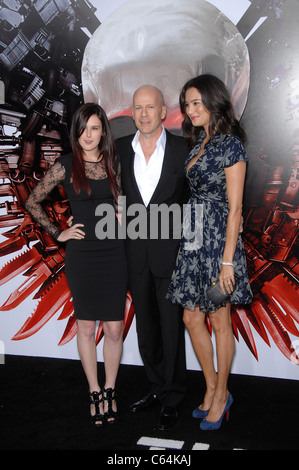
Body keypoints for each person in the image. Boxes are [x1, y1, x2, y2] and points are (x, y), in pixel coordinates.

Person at [25, 103, 127, 426]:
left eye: (95, 128)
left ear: (103, 132)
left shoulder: (113, 162)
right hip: (82, 257)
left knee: (113, 328)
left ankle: (111, 388)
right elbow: (32, 201)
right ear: (75, 132)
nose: (88, 135)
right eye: (83, 129)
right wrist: (59, 232)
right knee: (86, 326)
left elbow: (121, 200)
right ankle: (94, 390)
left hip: (113, 253)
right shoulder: (66, 165)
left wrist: (123, 215)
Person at [167, 74, 252, 431]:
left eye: (197, 102)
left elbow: (234, 210)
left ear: (215, 103)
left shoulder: (231, 145)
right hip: (193, 234)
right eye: (187, 104)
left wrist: (228, 262)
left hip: (219, 240)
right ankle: (214, 386)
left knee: (219, 319)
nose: (190, 110)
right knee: (191, 318)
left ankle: (220, 395)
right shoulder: (198, 142)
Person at [116, 85, 189, 431]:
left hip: (172, 253)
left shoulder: (182, 149)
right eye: (138, 108)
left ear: (163, 111)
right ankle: (156, 388)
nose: (144, 114)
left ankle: (173, 396)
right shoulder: (118, 150)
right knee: (146, 328)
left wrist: (193, 248)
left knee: (171, 328)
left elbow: (194, 202)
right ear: (132, 112)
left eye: (151, 107)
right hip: (136, 254)